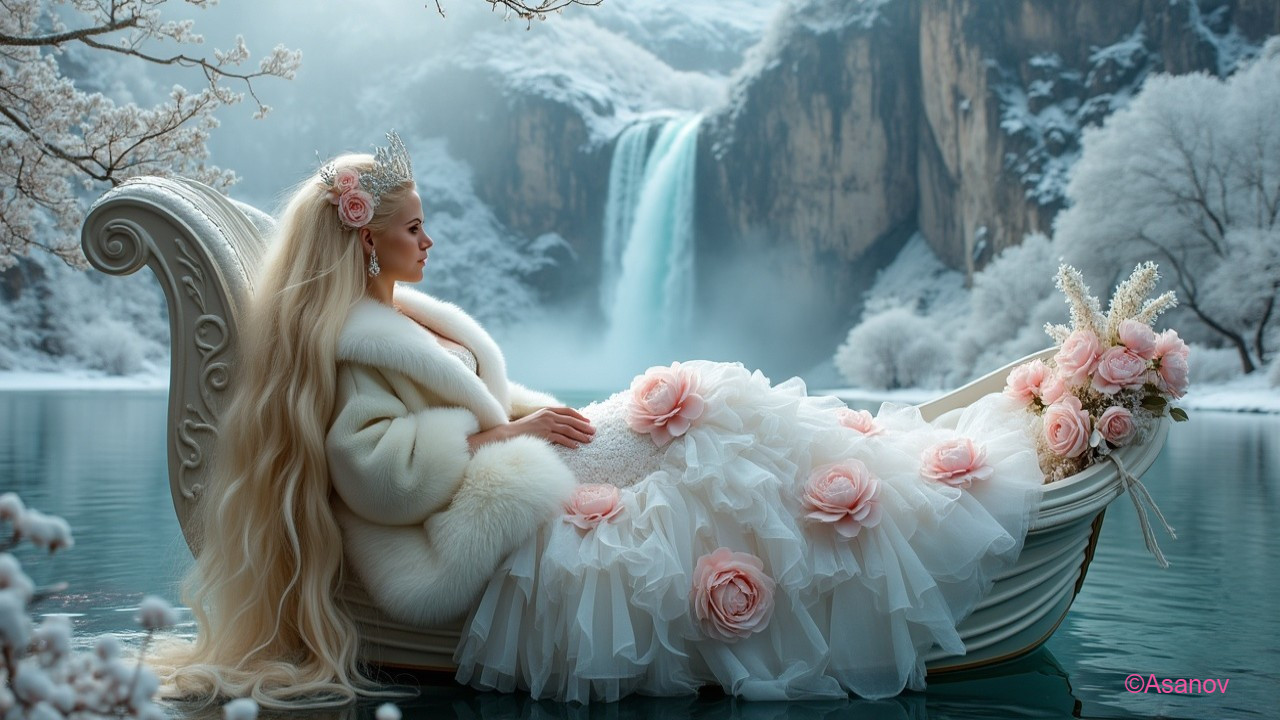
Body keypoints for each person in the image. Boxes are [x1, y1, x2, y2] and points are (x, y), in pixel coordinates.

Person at [156, 132, 1044, 707]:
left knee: (704, 402)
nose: (430, 243)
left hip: (519, 457)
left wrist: (535, 417)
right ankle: (899, 508)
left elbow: (480, 399)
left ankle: (886, 471)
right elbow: (378, 475)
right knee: (703, 405)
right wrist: (513, 437)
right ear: (364, 238)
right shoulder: (353, 345)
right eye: (414, 229)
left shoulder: (409, 320)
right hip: (482, 503)